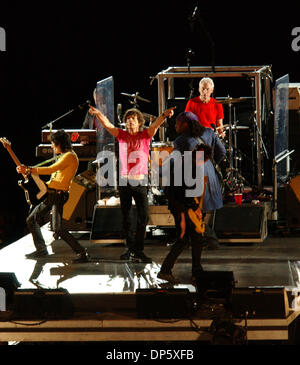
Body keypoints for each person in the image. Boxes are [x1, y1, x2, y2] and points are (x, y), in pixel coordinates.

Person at [88, 105, 175, 263]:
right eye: (127, 120)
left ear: (139, 122)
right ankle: (129, 248)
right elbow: (107, 124)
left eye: (133, 119)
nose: (130, 122)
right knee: (126, 216)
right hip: (124, 181)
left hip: (140, 181)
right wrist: (98, 113)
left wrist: (164, 114)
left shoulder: (145, 135)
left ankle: (139, 249)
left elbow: (155, 124)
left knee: (144, 216)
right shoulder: (121, 135)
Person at [157, 111, 226, 284]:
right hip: (181, 203)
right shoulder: (186, 167)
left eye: (177, 122)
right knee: (184, 237)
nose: (175, 126)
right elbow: (178, 191)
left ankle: (197, 269)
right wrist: (191, 208)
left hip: (190, 200)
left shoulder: (189, 157)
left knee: (196, 235)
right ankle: (165, 270)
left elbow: (194, 191)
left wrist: (196, 208)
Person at [16, 129, 89, 263]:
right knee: (31, 220)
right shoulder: (63, 156)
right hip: (52, 194)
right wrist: (33, 176)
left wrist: (29, 169)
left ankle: (81, 252)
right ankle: (41, 249)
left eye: (53, 144)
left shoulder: (69, 156)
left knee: (58, 228)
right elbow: (53, 178)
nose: (52, 146)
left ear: (60, 143)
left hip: (58, 196)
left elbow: (51, 170)